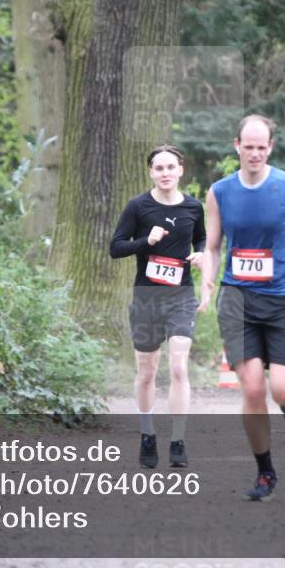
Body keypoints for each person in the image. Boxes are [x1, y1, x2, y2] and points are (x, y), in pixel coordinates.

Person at [197, 114, 285, 501]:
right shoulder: (219, 192)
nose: (254, 153)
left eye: (261, 147)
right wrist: (208, 284)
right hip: (237, 300)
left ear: (270, 148)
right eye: (248, 146)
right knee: (253, 389)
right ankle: (265, 473)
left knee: (283, 390)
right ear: (236, 146)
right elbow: (213, 246)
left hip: (283, 297)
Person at [110, 144, 205, 469]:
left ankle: (178, 439)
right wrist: (145, 242)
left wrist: (201, 253)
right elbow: (115, 247)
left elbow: (202, 238)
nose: (165, 173)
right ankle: (147, 434)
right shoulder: (138, 206)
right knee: (147, 372)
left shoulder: (193, 207)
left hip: (181, 297)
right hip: (146, 299)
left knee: (178, 367)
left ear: (181, 170)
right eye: (159, 168)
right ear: (151, 172)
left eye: (170, 167)